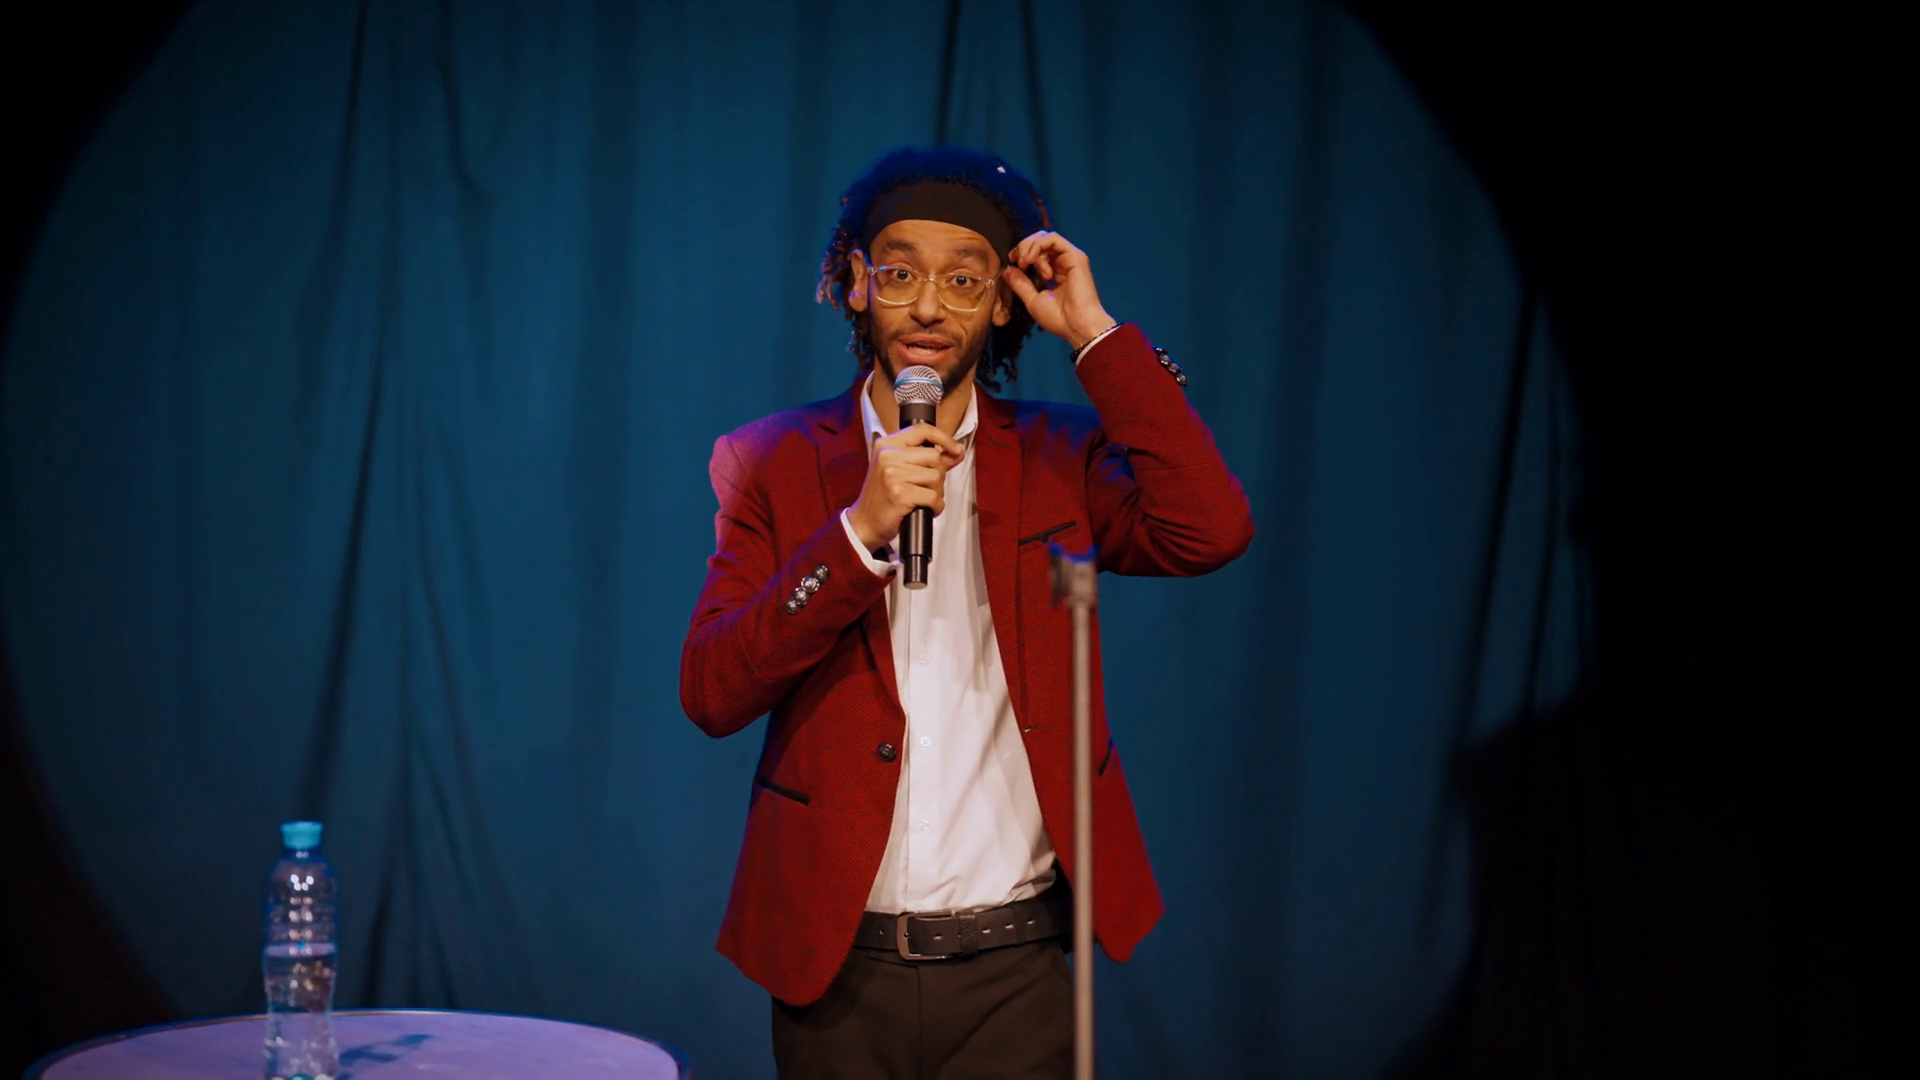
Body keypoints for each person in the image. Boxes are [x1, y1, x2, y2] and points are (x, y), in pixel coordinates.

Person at [679, 145, 1254, 1078]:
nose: (929, 308)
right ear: (857, 282)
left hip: (1014, 968)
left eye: (963, 280)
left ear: (1002, 303)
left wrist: (1095, 334)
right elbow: (712, 691)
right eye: (901, 274)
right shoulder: (769, 460)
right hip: (835, 967)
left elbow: (1210, 531)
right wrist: (857, 533)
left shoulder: (1062, 455)